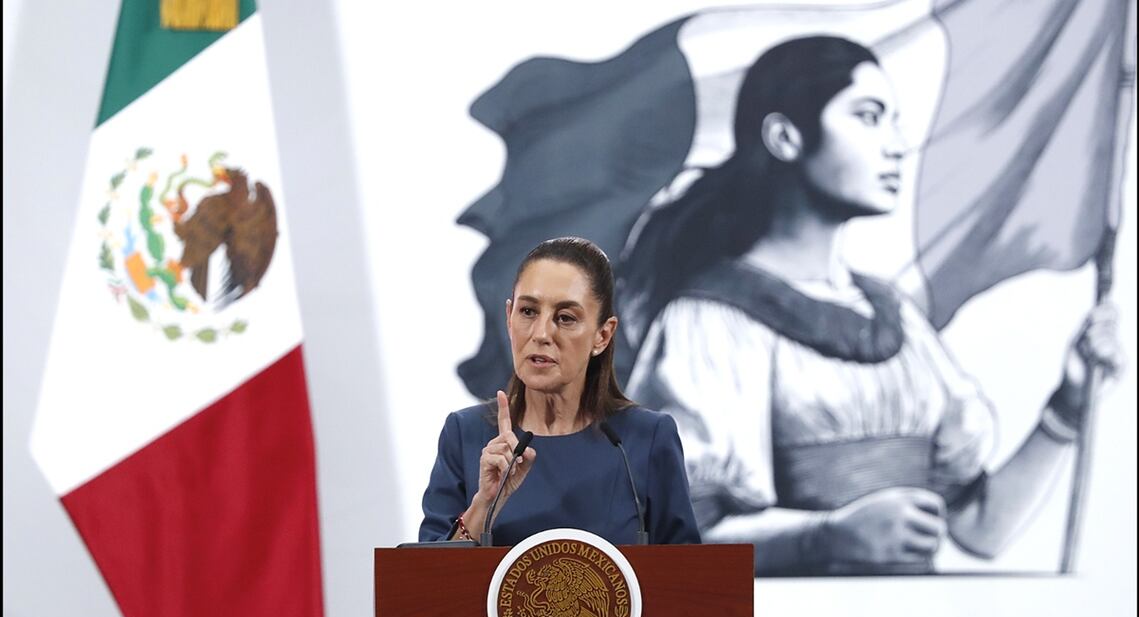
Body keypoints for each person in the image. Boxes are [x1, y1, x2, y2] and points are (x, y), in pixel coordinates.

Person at [618, 36, 1123, 574]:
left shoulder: (897, 318)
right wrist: (824, 537)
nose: (896, 144)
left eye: (894, 120)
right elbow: (672, 543)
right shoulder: (709, 321)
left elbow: (980, 529)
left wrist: (1067, 408)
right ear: (785, 137)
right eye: (869, 116)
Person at [419, 236, 701, 546]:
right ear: (509, 319)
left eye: (565, 318)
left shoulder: (645, 439)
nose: (541, 334)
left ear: (602, 335)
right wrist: (484, 503)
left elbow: (691, 582)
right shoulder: (466, 434)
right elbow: (428, 583)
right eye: (528, 312)